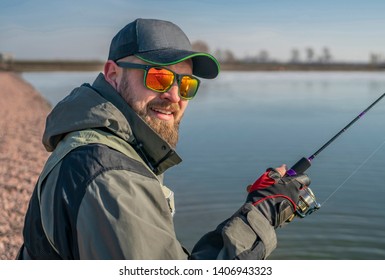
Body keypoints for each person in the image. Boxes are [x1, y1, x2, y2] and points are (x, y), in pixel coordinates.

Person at [17, 18, 312, 260]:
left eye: (185, 84)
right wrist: (262, 214)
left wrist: (258, 208)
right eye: (157, 77)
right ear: (112, 74)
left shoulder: (97, 145)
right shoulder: (110, 177)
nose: (174, 96)